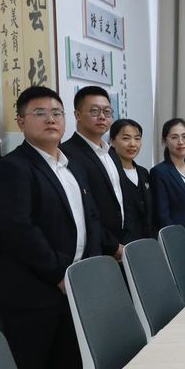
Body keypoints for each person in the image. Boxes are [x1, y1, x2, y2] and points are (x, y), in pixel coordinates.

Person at [0, 86, 101, 369]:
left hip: (72, 289)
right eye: (40, 113)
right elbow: (19, 229)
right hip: (33, 296)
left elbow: (91, 219)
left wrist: (86, 273)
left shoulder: (71, 166)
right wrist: (58, 275)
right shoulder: (13, 168)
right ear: (21, 122)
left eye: (56, 113)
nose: (50, 119)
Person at [61, 86, 124, 261]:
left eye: (107, 111)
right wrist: (112, 245)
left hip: (121, 244)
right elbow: (84, 209)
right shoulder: (67, 154)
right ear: (77, 115)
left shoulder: (112, 154)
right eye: (94, 111)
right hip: (94, 249)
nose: (102, 116)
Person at [149, 118, 185, 263]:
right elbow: (163, 214)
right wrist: (175, 242)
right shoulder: (159, 172)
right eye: (174, 137)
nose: (181, 142)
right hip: (176, 245)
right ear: (164, 141)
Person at [109, 119, 155, 244]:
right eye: (126, 138)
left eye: (137, 139)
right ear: (112, 141)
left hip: (146, 243)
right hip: (121, 245)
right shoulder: (109, 173)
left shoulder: (143, 173)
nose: (132, 144)